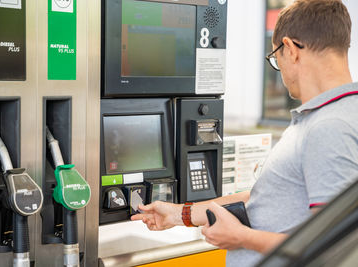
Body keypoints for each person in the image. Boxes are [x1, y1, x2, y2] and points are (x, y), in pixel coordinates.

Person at [131, 0, 358, 266]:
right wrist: (179, 214)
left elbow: (333, 243)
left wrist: (242, 238)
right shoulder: (335, 115)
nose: (280, 70)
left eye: (276, 59)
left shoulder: (329, 127)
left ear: (291, 49)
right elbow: (266, 198)